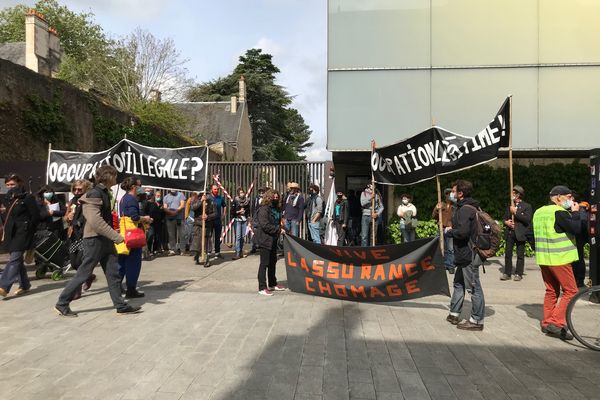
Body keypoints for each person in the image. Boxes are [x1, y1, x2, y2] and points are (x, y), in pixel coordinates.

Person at [55, 165, 141, 316]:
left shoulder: (103, 192)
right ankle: (62, 302)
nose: (116, 178)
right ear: (108, 176)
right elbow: (96, 221)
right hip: (94, 240)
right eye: (115, 175)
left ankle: (120, 305)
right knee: (83, 273)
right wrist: (116, 237)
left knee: (113, 273)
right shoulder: (94, 193)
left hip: (105, 240)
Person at [532, 185, 580, 340]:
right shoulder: (559, 212)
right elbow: (576, 228)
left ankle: (547, 323)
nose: (571, 200)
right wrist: (576, 213)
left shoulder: (538, 212)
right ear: (559, 197)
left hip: (544, 259)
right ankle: (556, 322)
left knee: (551, 291)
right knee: (571, 291)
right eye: (569, 197)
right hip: (559, 259)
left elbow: (528, 233)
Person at [445, 179, 485, 331]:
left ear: (460, 193)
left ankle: (477, 321)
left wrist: (450, 232)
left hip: (468, 254)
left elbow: (462, 232)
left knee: (473, 287)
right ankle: (454, 313)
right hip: (463, 254)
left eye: (454, 191)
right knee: (459, 283)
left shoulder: (465, 210)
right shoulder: (467, 207)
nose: (452, 194)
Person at [0, 174, 39, 298]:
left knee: (15, 259)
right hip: (11, 232)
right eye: (8, 185)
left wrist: (29, 230)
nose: (10, 187)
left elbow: (35, 216)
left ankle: (4, 286)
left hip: (23, 232)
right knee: (17, 261)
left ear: (19, 183)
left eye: (12, 184)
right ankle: (25, 285)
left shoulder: (28, 198)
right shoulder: (7, 198)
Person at [117, 177, 153, 299]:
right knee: (133, 263)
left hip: (124, 234)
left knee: (122, 262)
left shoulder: (123, 199)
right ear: (133, 187)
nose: (140, 188)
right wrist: (146, 218)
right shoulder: (132, 199)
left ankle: (117, 286)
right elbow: (134, 217)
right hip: (133, 236)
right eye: (139, 186)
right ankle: (131, 289)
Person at [64, 179, 96, 299]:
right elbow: (65, 217)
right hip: (73, 235)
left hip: (84, 235)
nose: (77, 191)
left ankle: (77, 291)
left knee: (79, 262)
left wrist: (79, 221)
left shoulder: (88, 201)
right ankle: (88, 277)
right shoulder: (72, 201)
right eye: (75, 189)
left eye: (79, 189)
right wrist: (68, 217)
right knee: (74, 263)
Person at [254, 189, 286, 296]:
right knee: (264, 263)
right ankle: (262, 287)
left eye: (277, 198)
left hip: (273, 239)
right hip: (265, 239)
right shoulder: (264, 209)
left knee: (273, 262)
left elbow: (278, 221)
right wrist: (278, 229)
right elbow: (265, 225)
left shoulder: (277, 209)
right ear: (269, 198)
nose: (275, 199)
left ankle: (272, 283)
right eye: (274, 198)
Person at [501, 185, 533, 282]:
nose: (512, 195)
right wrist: (506, 222)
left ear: (518, 195)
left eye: (514, 193)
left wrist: (516, 212)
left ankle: (519, 273)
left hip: (520, 233)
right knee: (508, 254)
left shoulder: (527, 206)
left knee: (520, 255)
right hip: (510, 233)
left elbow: (527, 219)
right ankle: (507, 273)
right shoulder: (510, 205)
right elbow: (504, 218)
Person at [432, 188, 455, 273]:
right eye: (447, 194)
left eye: (450, 194)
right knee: (443, 247)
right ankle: (445, 264)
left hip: (450, 229)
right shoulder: (441, 204)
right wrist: (437, 209)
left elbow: (457, 218)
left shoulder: (455, 206)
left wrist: (452, 226)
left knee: (450, 248)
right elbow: (434, 216)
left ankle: (451, 266)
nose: (448, 195)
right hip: (441, 228)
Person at [191, 192, 217, 267]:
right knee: (197, 242)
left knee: (207, 242)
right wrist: (201, 201)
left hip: (207, 224)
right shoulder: (197, 199)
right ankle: (197, 255)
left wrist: (208, 216)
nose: (205, 196)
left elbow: (215, 213)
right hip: (198, 224)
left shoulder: (211, 202)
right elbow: (193, 208)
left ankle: (207, 259)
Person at [571, 195, 589, 287]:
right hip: (578, 239)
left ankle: (579, 281)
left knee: (578, 260)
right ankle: (578, 281)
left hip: (577, 239)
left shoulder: (579, 211)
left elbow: (582, 225)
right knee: (578, 260)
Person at [163, 189, 186, 255]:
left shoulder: (181, 194)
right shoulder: (166, 197)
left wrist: (176, 211)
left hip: (179, 218)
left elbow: (182, 205)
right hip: (170, 218)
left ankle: (182, 250)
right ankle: (172, 249)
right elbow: (165, 207)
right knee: (171, 235)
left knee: (182, 234)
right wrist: (171, 212)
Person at [207, 184, 227, 258]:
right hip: (210, 220)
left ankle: (217, 252)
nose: (216, 191)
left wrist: (223, 214)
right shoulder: (208, 197)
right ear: (211, 190)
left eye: (217, 189)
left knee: (217, 237)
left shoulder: (220, 198)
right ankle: (209, 252)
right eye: (215, 189)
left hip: (218, 220)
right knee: (209, 236)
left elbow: (224, 206)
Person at [231, 187, 250, 259]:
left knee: (242, 236)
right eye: (240, 193)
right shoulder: (235, 200)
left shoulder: (247, 200)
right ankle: (237, 252)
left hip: (244, 220)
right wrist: (238, 212)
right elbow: (232, 211)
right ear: (238, 194)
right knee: (238, 236)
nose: (242, 194)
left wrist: (247, 216)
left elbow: (248, 210)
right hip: (238, 219)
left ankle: (241, 251)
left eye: (243, 192)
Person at [144, 190, 166, 256]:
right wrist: (147, 221)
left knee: (157, 237)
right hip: (150, 223)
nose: (157, 197)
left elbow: (161, 213)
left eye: (159, 196)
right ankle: (149, 250)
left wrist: (161, 209)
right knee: (150, 235)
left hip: (158, 223)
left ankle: (155, 250)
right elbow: (145, 212)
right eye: (156, 196)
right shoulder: (147, 204)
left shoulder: (158, 203)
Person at [250, 187, 267, 254]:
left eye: (262, 192)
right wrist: (252, 217)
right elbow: (253, 208)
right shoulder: (256, 199)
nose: (261, 193)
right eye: (260, 192)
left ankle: (262, 247)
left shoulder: (266, 200)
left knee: (263, 232)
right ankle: (254, 247)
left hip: (263, 217)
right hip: (256, 217)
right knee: (255, 231)